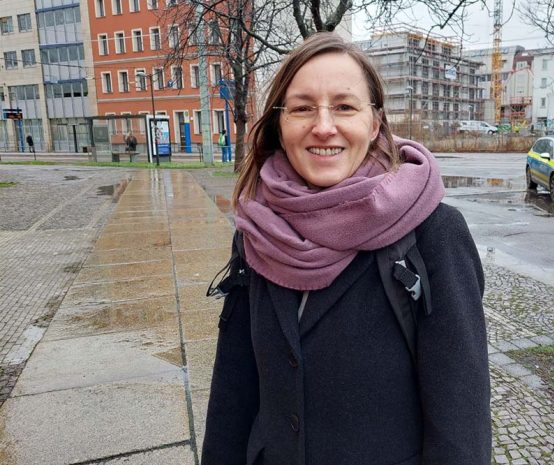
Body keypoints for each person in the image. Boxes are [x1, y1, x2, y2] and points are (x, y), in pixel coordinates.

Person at [202, 33, 491, 465]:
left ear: (374, 123)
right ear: (280, 125)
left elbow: (461, 424)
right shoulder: (257, 228)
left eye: (344, 106)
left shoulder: (434, 233)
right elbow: (234, 384)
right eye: (302, 108)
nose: (323, 126)